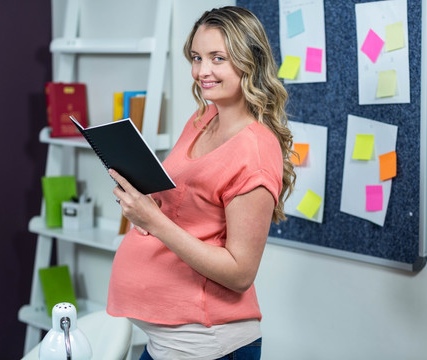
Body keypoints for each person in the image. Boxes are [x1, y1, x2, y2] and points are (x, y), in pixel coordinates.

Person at [106, 6, 296, 360]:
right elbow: (184, 209)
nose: (201, 71)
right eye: (196, 57)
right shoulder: (203, 118)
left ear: (249, 62)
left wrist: (154, 222)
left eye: (217, 58)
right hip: (165, 344)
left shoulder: (255, 149)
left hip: (207, 344)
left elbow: (240, 272)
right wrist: (144, 205)